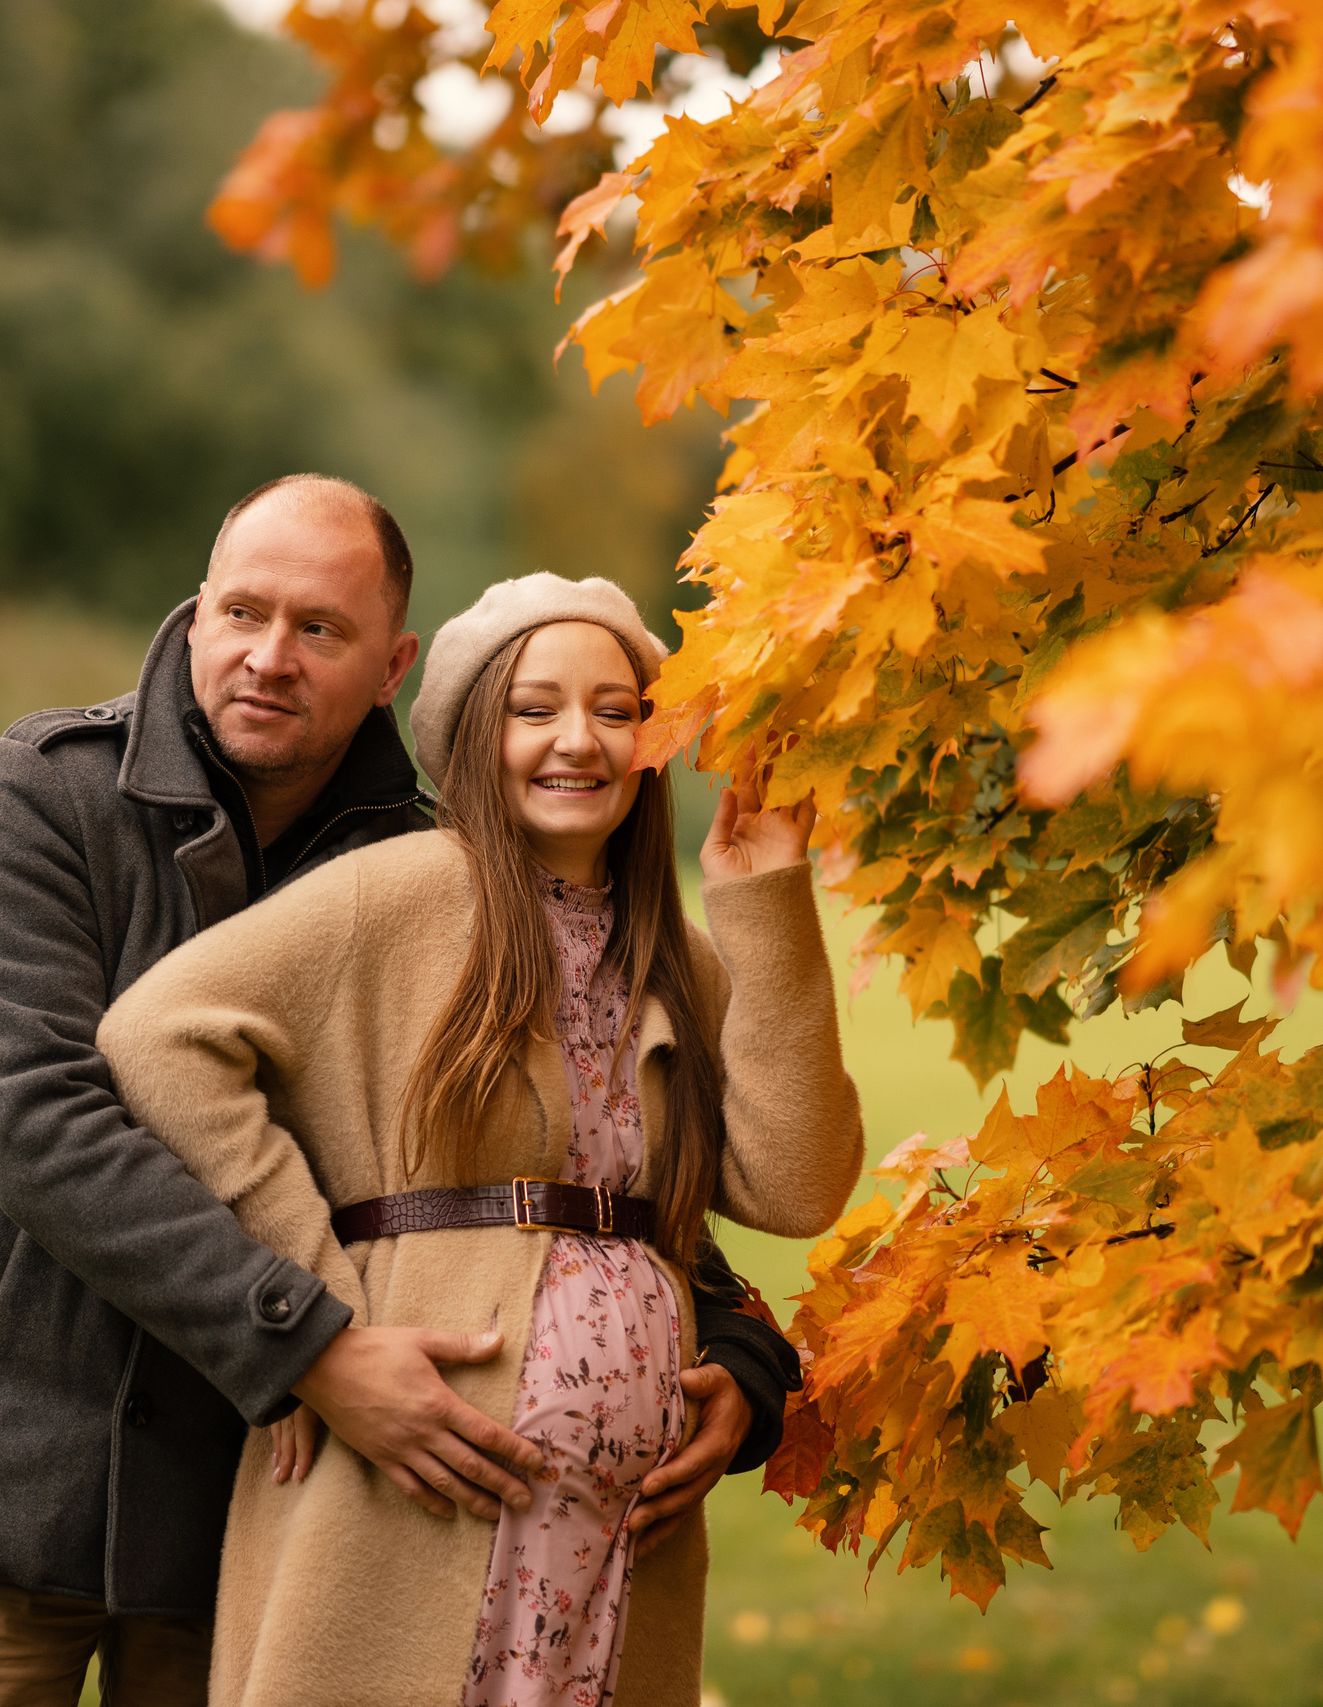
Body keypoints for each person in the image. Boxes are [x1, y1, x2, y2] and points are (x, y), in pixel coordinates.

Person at [0, 481, 802, 1706]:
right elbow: (43, 1125)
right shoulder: (38, 797)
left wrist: (736, 1349)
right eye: (242, 613)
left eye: (320, 631)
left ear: (394, 664)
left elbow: (560, 1166)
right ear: (195, 618)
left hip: (249, 1509)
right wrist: (314, 1344)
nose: (268, 657)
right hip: (3, 1476)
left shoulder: (439, 871)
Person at [95, 573, 866, 1707]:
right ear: (471, 735)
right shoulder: (398, 894)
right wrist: (320, 1304)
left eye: (616, 711)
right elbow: (160, 1035)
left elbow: (796, 1187)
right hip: (417, 1487)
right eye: (535, 708)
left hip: (613, 1543)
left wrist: (765, 902)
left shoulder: (675, 954)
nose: (579, 742)